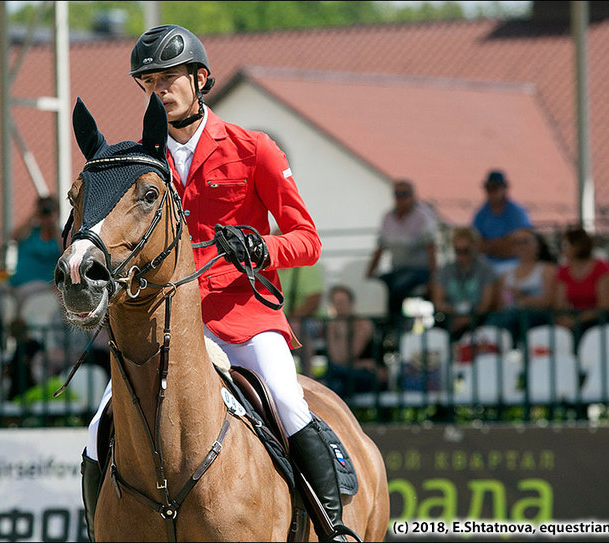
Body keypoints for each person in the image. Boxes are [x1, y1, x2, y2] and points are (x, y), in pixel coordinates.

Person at [81, 24, 351, 542]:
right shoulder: (140, 164)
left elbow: (308, 239)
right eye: (148, 81)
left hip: (243, 317)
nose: (159, 90)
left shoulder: (254, 149)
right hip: (168, 328)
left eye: (169, 78)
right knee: (99, 429)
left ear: (200, 78)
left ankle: (333, 529)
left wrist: (261, 248)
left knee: (288, 400)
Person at [366, 179, 438, 329]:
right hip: (397, 269)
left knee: (398, 287)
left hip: (419, 270)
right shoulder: (387, 217)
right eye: (397, 194)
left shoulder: (423, 217)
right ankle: (382, 327)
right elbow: (380, 249)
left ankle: (398, 327)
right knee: (378, 284)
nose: (400, 198)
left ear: (413, 196)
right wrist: (368, 275)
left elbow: (431, 248)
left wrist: (434, 278)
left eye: (404, 194)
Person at [487, 229, 557, 344]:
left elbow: (548, 301)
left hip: (537, 319)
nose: (521, 246)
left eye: (525, 242)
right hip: (510, 319)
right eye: (517, 242)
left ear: (537, 245)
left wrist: (521, 298)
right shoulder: (506, 274)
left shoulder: (547, 270)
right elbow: (501, 305)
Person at [553, 226, 609, 341]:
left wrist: (578, 320)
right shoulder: (563, 271)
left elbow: (604, 305)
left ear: (578, 246)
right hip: (575, 320)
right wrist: (565, 319)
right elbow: (559, 304)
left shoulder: (601, 268)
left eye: (566, 245)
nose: (562, 249)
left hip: (601, 321)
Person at [432, 227, 496, 341]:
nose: (461, 256)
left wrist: (467, 319)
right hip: (452, 318)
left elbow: (486, 304)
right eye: (458, 251)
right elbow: (438, 301)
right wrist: (454, 313)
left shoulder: (486, 269)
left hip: (478, 319)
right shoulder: (446, 270)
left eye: (466, 251)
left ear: (475, 248)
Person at [322, 285, 387, 397]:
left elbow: (349, 355)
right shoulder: (332, 326)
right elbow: (336, 358)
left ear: (351, 303)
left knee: (334, 377)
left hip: (372, 376)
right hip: (346, 374)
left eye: (343, 301)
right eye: (336, 302)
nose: (340, 306)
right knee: (337, 383)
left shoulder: (363, 324)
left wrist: (340, 331)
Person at [471, 170, 533, 277]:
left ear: (504, 189)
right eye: (488, 188)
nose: (491, 192)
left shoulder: (517, 212)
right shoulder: (480, 214)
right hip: (487, 266)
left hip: (514, 264)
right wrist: (503, 243)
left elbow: (519, 245)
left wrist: (489, 246)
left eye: (495, 188)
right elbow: (477, 244)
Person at [8, 195, 63, 309]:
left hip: (46, 286)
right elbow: (14, 236)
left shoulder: (60, 236)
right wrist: (34, 216)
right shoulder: (29, 233)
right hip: (20, 284)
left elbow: (65, 251)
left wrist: (54, 226)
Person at [279, 260, 326, 376]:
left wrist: (285, 321)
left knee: (296, 327)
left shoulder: (308, 266)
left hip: (308, 320)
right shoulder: (266, 267)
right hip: (279, 321)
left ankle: (308, 375)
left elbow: (313, 302)